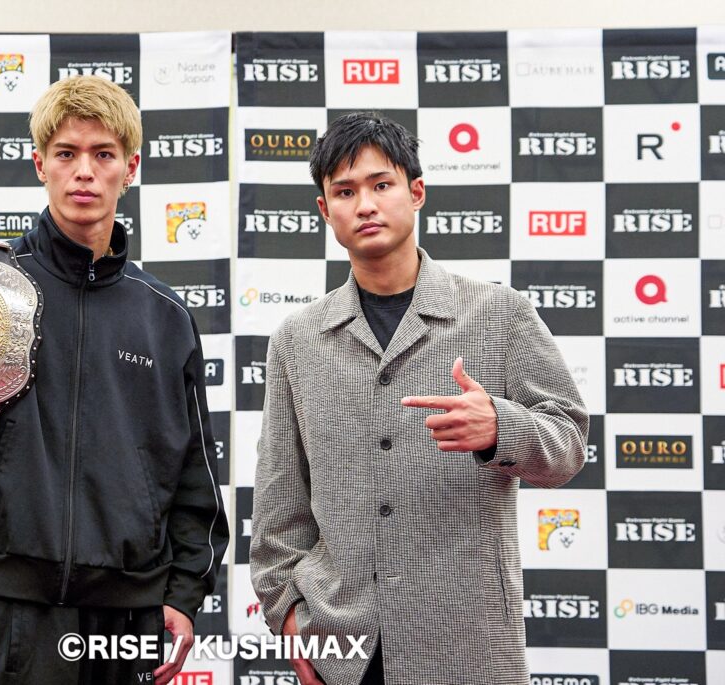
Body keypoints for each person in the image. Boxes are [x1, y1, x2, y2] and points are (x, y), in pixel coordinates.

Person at [0, 75, 229, 685]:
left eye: (103, 155)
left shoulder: (164, 315)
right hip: (14, 604)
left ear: (131, 168)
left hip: (129, 611)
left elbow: (195, 471)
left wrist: (184, 596)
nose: (84, 172)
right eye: (66, 154)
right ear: (40, 165)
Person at [249, 112, 588, 685]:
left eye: (381, 184)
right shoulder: (298, 340)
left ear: (417, 192)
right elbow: (279, 502)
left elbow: (570, 445)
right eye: (345, 192)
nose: (365, 205)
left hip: (468, 640)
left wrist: (500, 427)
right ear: (324, 210)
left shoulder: (499, 314)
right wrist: (288, 616)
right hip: (343, 649)